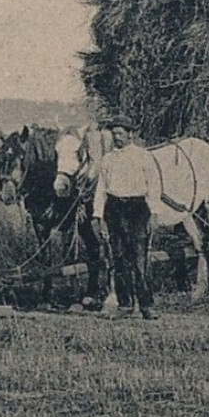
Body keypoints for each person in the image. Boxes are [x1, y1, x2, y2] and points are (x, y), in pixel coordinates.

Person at [90, 116, 162, 319]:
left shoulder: (143, 156)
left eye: (120, 133)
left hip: (137, 209)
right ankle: (125, 304)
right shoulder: (108, 159)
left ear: (130, 134)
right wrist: (99, 216)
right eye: (114, 134)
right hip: (114, 209)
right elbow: (101, 189)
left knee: (139, 259)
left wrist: (154, 213)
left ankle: (146, 305)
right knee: (118, 258)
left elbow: (154, 187)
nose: (117, 137)